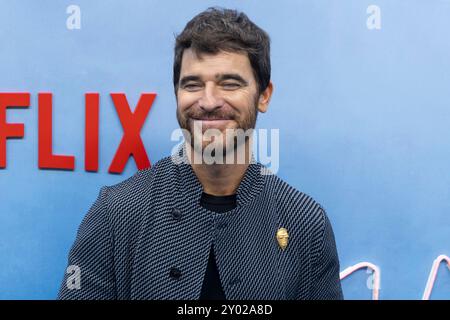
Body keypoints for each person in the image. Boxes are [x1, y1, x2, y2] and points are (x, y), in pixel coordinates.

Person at [58, 7, 343, 300]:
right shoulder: (116, 213)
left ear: (264, 96)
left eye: (229, 83)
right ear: (177, 95)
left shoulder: (306, 223)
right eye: (192, 84)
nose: (208, 101)